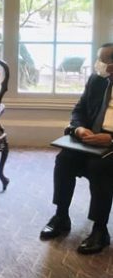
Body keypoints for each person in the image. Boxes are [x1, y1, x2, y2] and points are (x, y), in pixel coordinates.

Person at [39, 43, 113, 255]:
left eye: (101, 60)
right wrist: (79, 128)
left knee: (99, 167)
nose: (97, 64)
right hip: (90, 136)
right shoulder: (96, 80)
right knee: (65, 159)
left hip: (111, 143)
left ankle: (100, 229)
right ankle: (61, 216)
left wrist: (110, 139)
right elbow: (79, 110)